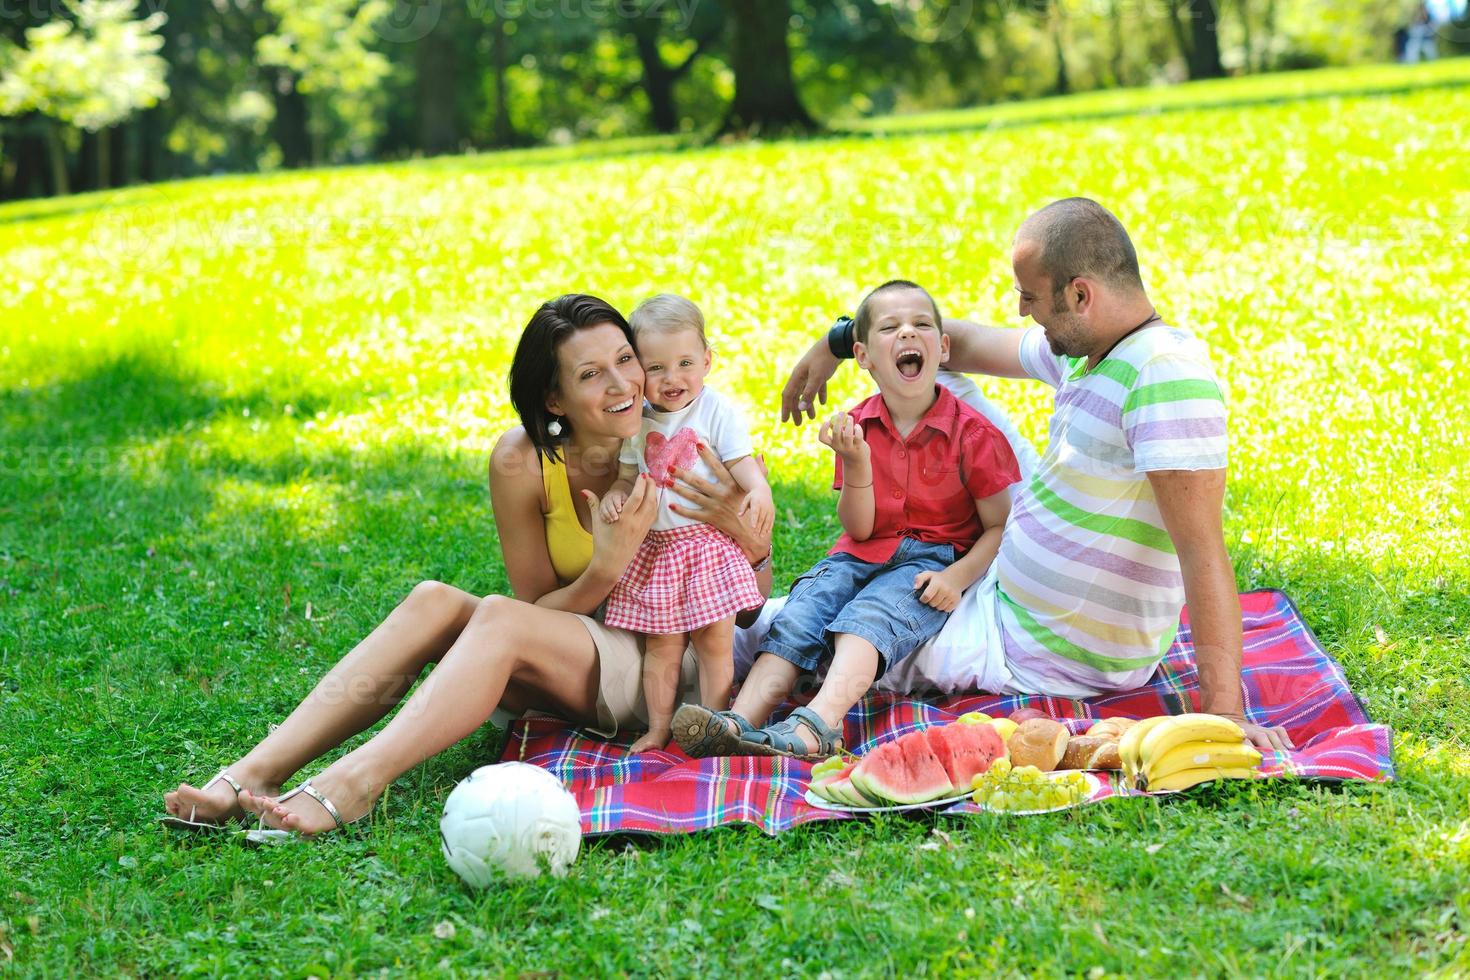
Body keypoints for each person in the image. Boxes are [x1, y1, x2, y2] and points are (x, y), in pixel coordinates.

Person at [160, 293, 773, 837]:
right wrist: (603, 571)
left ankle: (356, 782)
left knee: (500, 621)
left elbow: (749, 606)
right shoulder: (524, 460)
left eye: (626, 359)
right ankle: (251, 775)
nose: (624, 385)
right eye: (592, 374)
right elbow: (535, 608)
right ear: (554, 397)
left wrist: (739, 529)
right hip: (578, 649)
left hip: (671, 664)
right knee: (435, 599)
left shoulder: (698, 440)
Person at [778, 198, 1294, 752]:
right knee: (936, 373)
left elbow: (1202, 547)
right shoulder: (1094, 349)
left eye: (1029, 297)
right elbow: (959, 342)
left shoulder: (1162, 377)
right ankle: (947, 543)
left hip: (1032, 641)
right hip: (1006, 578)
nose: (1023, 312)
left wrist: (1224, 713)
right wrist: (838, 342)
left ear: (1079, 294)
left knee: (805, 632)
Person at [673, 280, 1019, 759]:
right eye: (890, 327)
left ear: (942, 348)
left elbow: (1000, 525)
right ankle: (740, 722)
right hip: (858, 553)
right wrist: (856, 464)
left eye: (921, 325)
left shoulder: (974, 435)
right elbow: (859, 530)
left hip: (928, 563)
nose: (907, 334)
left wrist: (957, 577)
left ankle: (817, 727)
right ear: (862, 355)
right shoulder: (857, 427)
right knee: (800, 614)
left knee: (867, 621)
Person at [598, 294, 772, 752]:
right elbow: (627, 474)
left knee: (715, 641)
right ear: (640, 372)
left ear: (708, 360)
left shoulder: (717, 410)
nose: (672, 378)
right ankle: (658, 726)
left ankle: (717, 723)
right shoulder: (640, 423)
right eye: (656, 368)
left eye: (685, 363)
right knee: (662, 646)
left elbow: (742, 462)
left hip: (708, 546)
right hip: (658, 550)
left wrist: (760, 490)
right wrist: (616, 498)